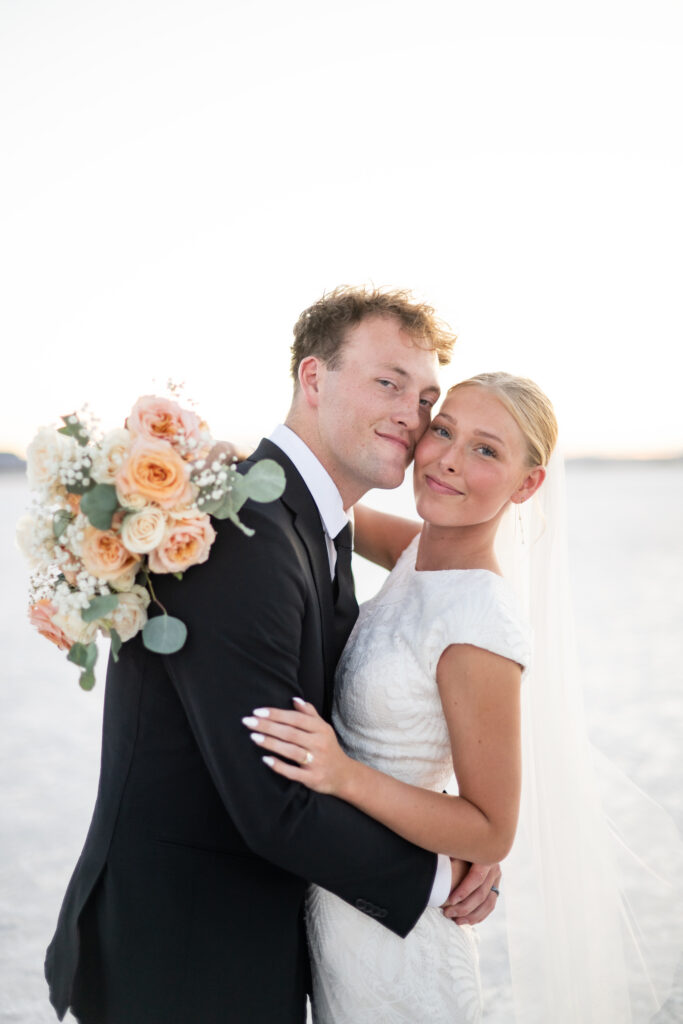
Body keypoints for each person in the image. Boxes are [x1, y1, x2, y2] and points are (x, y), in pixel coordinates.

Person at [45, 287, 502, 1024]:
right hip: (182, 961)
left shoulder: (309, 522)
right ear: (313, 378)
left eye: (425, 400)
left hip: (239, 946)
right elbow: (274, 804)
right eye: (388, 384)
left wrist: (453, 826)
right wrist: (441, 877)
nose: (411, 416)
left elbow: (452, 561)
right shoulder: (242, 536)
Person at [244, 373, 683, 1023]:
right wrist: (218, 462)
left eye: (485, 450)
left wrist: (343, 775)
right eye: (443, 430)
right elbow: (317, 503)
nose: (448, 459)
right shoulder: (417, 553)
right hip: (345, 905)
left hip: (402, 946)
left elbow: (490, 829)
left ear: (526, 485)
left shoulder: (479, 622)